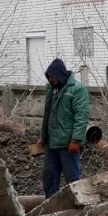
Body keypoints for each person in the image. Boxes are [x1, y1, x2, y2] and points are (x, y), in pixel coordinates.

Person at [40, 57, 89, 197]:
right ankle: (51, 208)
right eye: (48, 77)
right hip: (52, 143)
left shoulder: (77, 90)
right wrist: (43, 137)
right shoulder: (52, 89)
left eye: (52, 77)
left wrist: (76, 140)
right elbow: (47, 114)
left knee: (73, 179)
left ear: (60, 75)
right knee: (49, 177)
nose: (50, 80)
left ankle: (79, 207)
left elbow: (81, 116)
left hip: (68, 144)